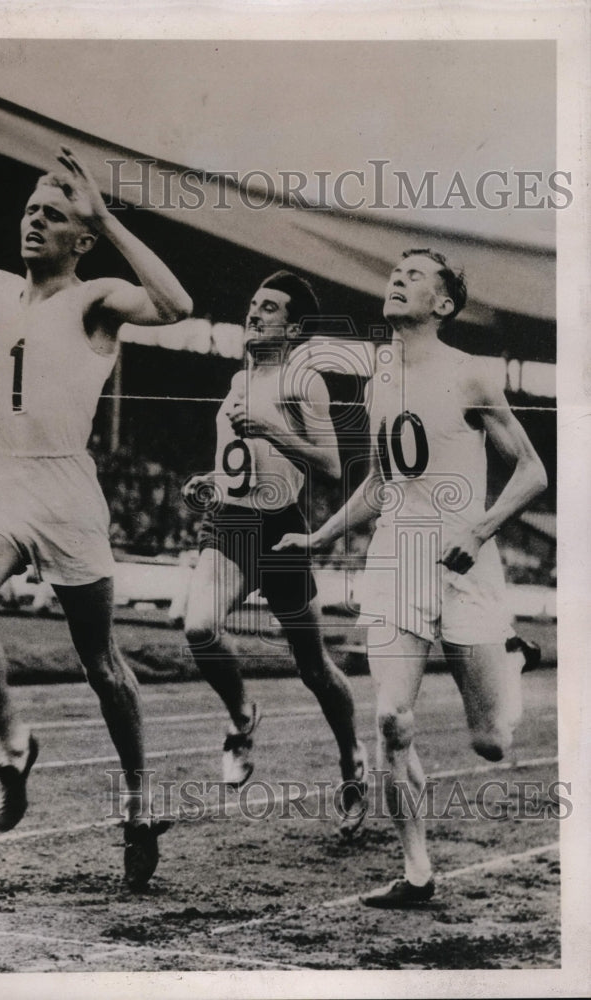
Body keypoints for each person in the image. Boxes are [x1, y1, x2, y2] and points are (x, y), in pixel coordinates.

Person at [0, 126, 192, 888]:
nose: (34, 220)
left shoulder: (96, 301)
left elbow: (176, 302)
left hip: (64, 491)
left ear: (81, 240)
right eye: (31, 209)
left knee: (100, 660)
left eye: (53, 215)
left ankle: (135, 798)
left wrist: (105, 210)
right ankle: (15, 744)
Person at [275, 249, 547, 906]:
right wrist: (316, 536)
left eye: (416, 275)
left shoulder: (472, 377)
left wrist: (479, 530)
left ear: (445, 305)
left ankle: (510, 661)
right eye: (394, 271)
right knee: (392, 719)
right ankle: (417, 868)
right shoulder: (379, 380)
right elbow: (379, 483)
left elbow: (532, 472)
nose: (397, 278)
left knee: (490, 742)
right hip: (396, 558)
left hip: (464, 562)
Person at [182, 271, 368, 838]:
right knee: (199, 628)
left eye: (269, 308)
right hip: (233, 522)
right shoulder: (238, 380)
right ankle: (242, 717)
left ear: (293, 329)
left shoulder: (301, 381)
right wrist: (207, 484)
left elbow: (332, 465)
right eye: (253, 303)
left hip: (282, 528)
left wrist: (270, 428)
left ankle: (352, 761)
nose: (254, 313)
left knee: (313, 667)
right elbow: (236, 463)